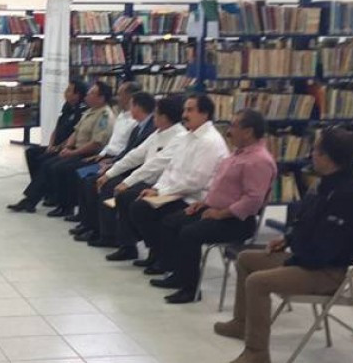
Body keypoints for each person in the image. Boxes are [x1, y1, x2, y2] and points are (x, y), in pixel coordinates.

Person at [216, 127, 353, 363]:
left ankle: (257, 355)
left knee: (257, 282)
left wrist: (291, 257)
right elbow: (305, 223)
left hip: (325, 272)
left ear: (329, 158)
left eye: (316, 150)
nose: (312, 154)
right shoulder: (323, 184)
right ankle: (242, 323)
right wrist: (286, 240)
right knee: (246, 259)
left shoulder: (347, 196)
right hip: (305, 259)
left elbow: (324, 251)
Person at [150, 109, 277, 303]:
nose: (229, 130)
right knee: (170, 221)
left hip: (236, 221)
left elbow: (253, 200)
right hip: (215, 210)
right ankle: (178, 273)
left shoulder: (258, 160)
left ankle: (191, 289)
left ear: (248, 132)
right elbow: (221, 187)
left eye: (234, 126)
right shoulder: (238, 154)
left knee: (189, 233)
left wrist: (221, 214)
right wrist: (204, 203)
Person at [115, 94, 229, 266]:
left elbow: (194, 181)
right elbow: (170, 169)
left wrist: (161, 192)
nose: (184, 115)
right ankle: (157, 252)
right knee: (130, 200)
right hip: (176, 193)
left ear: (204, 114)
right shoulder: (188, 137)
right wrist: (157, 189)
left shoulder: (209, 141)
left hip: (194, 198)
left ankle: (163, 257)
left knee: (143, 208)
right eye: (184, 110)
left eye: (190, 110)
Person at [82, 96, 186, 248]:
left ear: (164, 117)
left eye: (156, 113)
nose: (153, 117)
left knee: (126, 196)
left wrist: (127, 182)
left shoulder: (179, 136)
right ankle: (110, 235)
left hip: (161, 185)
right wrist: (109, 173)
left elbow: (155, 164)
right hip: (147, 179)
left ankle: (132, 244)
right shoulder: (158, 133)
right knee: (107, 184)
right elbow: (135, 155)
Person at [7, 80, 115, 214]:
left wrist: (73, 152)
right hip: (76, 150)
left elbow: (96, 144)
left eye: (92, 93)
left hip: (89, 155)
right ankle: (32, 200)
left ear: (101, 98)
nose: (87, 95)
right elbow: (75, 132)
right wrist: (68, 147)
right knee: (47, 162)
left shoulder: (105, 116)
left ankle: (63, 206)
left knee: (56, 166)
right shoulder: (90, 111)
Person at [70, 90, 157, 239]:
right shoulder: (138, 126)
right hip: (116, 161)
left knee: (98, 183)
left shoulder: (149, 129)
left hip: (133, 171)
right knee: (84, 176)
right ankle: (89, 223)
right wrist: (110, 162)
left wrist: (112, 166)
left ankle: (105, 232)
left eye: (131, 105)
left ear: (138, 107)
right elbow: (128, 152)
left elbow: (137, 158)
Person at [26, 81, 88, 182]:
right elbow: (56, 128)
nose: (65, 93)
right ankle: (38, 187)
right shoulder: (66, 106)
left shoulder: (81, 111)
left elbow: (75, 135)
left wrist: (58, 147)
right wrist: (50, 145)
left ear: (77, 95)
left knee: (43, 160)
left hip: (66, 148)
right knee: (30, 153)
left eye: (69, 90)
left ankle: (40, 190)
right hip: (54, 146)